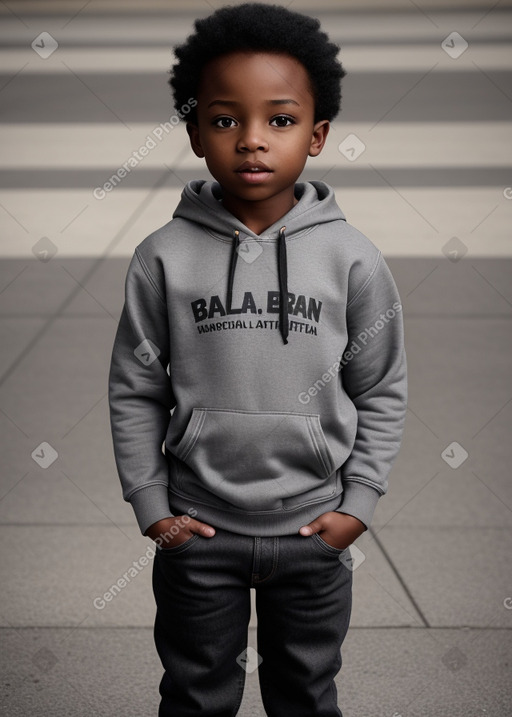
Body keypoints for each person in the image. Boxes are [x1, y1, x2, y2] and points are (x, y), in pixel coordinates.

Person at [108, 3, 407, 715]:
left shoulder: (352, 259)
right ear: (194, 133)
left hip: (314, 525)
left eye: (279, 119)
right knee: (195, 693)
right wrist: (154, 507)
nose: (250, 141)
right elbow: (135, 390)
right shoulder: (163, 257)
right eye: (223, 119)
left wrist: (357, 504)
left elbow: (382, 388)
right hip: (197, 527)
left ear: (318, 135)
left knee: (305, 693)